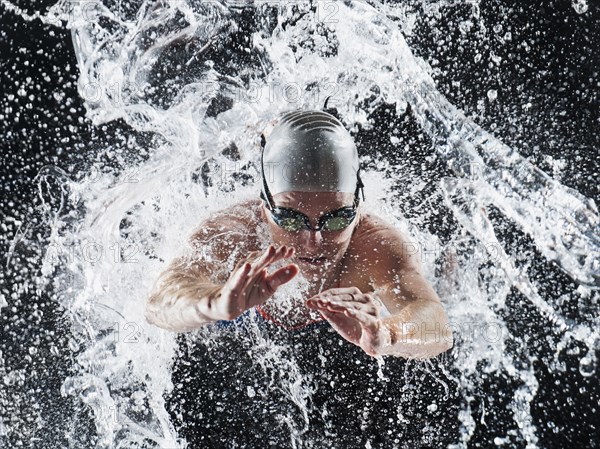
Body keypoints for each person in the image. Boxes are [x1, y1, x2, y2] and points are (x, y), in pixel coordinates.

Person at [145, 109, 453, 359]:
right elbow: (158, 303)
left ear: (356, 206)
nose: (314, 241)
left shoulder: (374, 244)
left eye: (335, 220)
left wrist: (387, 334)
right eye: (292, 220)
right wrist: (212, 303)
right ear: (264, 208)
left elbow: (437, 325)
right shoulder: (235, 233)